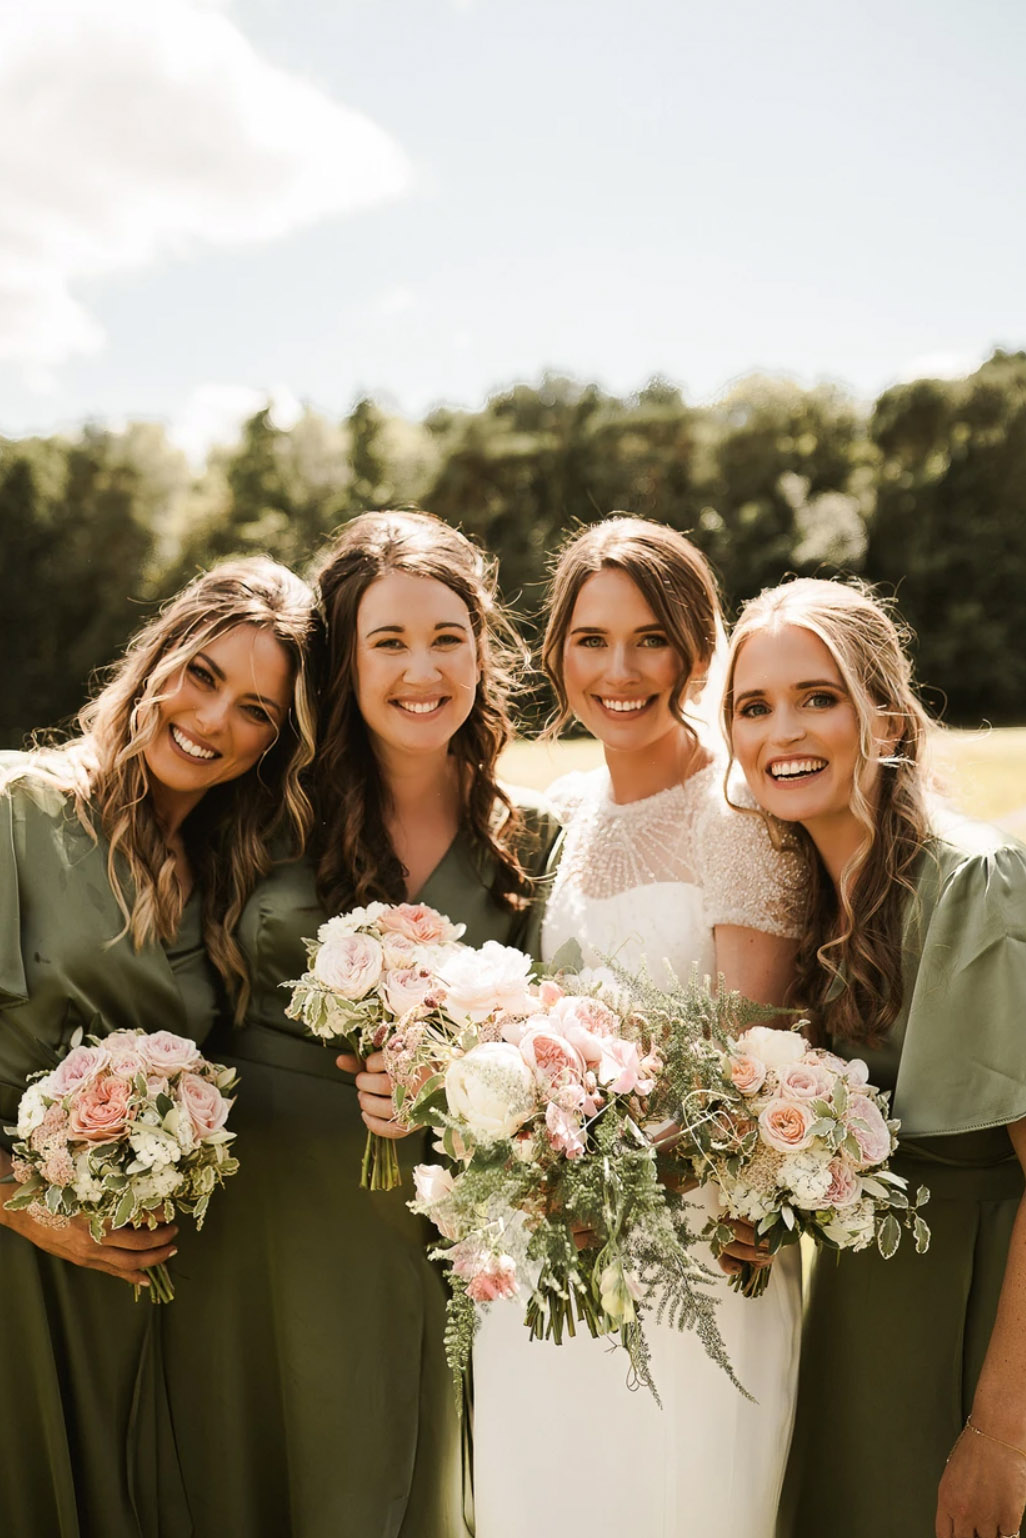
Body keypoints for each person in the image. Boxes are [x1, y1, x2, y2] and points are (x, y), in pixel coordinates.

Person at [162, 510, 558, 1538]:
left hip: (427, 1230)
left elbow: (557, 1048)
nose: (421, 668)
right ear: (343, 660)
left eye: (446, 637)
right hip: (252, 1219)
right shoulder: (254, 805)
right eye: (388, 640)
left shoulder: (532, 843)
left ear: (482, 648)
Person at [472, 516, 804, 1537]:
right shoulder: (570, 809)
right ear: (556, 649)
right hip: (544, 1246)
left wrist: (619, 1168)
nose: (620, 669)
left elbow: (750, 1060)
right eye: (591, 639)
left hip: (695, 1251)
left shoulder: (741, 816)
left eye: (651, 638)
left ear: (700, 648)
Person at [0, 558, 316, 1538]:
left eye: (258, 710)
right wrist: (29, 1209)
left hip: (146, 1292)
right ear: (158, 657)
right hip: (19, 1261)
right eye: (205, 673)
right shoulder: (19, 810)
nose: (215, 718)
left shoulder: (231, 874)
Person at [724, 576, 1026, 1538]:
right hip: (859, 1325)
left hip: (966, 1334)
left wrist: (999, 1436)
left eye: (819, 698)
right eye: (754, 707)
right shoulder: (815, 904)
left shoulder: (974, 887)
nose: (784, 732)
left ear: (886, 721)